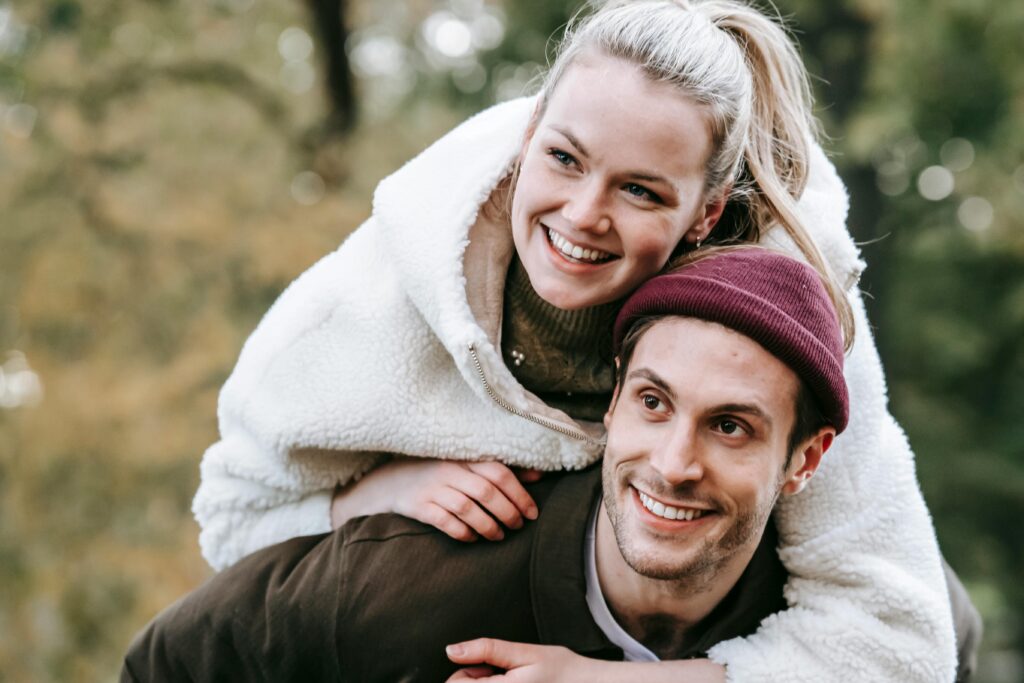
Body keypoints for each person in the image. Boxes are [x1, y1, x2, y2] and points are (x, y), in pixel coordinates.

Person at [190, 1, 963, 680]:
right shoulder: (375, 297)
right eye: (564, 158)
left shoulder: (787, 308)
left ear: (705, 211)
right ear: (529, 135)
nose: (585, 213)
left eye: (639, 190)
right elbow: (230, 516)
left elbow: (900, 633)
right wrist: (366, 495)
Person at [123, 248, 850, 682]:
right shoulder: (403, 574)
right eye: (654, 402)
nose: (674, 463)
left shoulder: (837, 620)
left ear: (803, 459)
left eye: (730, 426)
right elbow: (166, 665)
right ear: (616, 395)